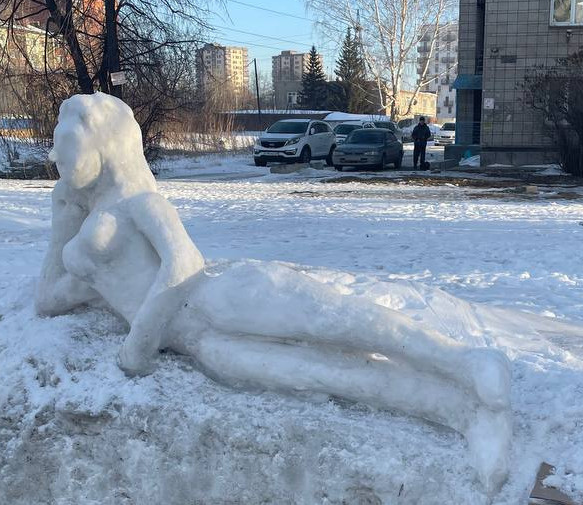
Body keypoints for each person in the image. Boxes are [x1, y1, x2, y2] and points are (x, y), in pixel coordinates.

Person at [36, 93, 512, 493]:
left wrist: (139, 341)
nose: (61, 154)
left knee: (338, 323)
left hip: (215, 298)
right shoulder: (82, 218)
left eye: (70, 141)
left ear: (105, 143)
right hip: (200, 344)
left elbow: (182, 264)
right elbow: (50, 298)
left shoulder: (141, 201)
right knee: (327, 373)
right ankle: (463, 415)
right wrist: (63, 221)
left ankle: (464, 361)